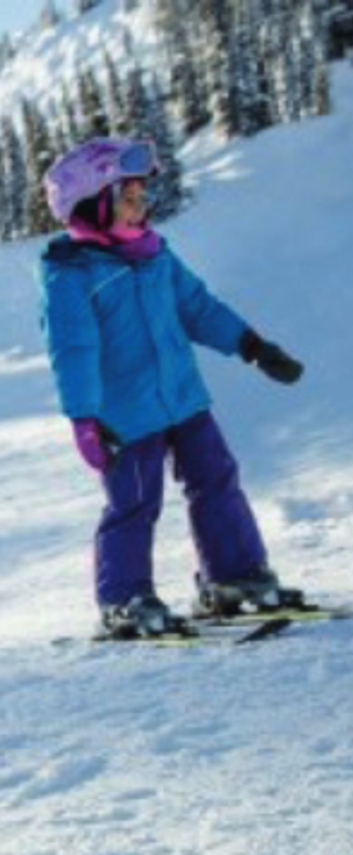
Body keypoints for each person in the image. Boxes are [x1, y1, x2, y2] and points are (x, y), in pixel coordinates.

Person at [39, 137, 308, 638]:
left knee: (217, 478)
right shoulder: (71, 276)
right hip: (125, 416)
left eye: (143, 195)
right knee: (135, 504)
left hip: (185, 400)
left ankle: (232, 577)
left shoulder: (157, 255)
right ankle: (123, 599)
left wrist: (252, 345)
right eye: (129, 196)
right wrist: (84, 419)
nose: (143, 205)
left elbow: (198, 308)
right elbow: (72, 353)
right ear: (93, 206)